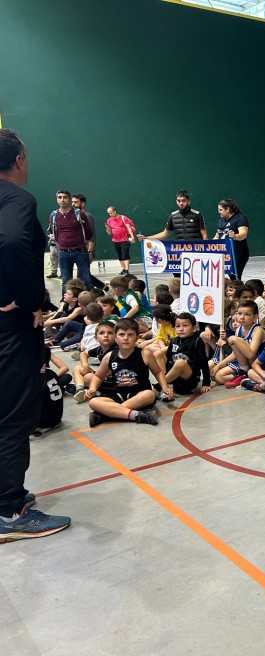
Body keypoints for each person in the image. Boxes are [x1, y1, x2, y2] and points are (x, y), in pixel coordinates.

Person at [0, 127, 71, 541]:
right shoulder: (17, 199)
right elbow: (11, 243)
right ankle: (10, 512)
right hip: (11, 328)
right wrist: (29, 301)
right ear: (19, 160)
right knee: (13, 416)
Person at [85, 318, 172, 427]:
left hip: (139, 394)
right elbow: (98, 376)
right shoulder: (109, 356)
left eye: (130, 335)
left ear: (137, 337)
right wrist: (92, 388)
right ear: (115, 338)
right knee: (93, 402)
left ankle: (106, 415)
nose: (126, 338)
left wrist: (165, 387)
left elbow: (158, 372)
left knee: (149, 395)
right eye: (122, 335)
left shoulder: (145, 354)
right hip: (117, 395)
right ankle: (136, 415)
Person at [49, 189, 93, 291]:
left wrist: (89, 250)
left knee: (86, 280)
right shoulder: (53, 215)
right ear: (57, 200)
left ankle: (89, 301)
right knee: (66, 282)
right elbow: (54, 232)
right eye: (59, 197)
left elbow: (88, 233)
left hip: (80, 251)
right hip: (63, 253)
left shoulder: (80, 214)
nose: (62, 200)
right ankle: (66, 301)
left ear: (69, 199)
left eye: (65, 197)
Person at [141, 190, 208, 242]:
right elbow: (165, 234)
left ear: (188, 202)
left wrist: (205, 250)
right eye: (179, 201)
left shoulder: (197, 215)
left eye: (183, 201)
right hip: (180, 250)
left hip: (196, 250)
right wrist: (146, 238)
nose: (181, 203)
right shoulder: (173, 216)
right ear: (176, 202)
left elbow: (204, 235)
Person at [71, 193, 106, 291]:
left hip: (86, 250)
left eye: (76, 202)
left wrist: (90, 252)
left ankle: (92, 294)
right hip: (77, 250)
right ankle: (105, 288)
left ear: (82, 204)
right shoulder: (73, 216)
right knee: (84, 275)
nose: (73, 204)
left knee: (83, 276)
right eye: (72, 202)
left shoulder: (87, 216)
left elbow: (92, 237)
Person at [213, 198, 249, 280]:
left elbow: (243, 233)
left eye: (221, 210)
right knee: (227, 274)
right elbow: (217, 236)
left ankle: (238, 287)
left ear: (228, 209)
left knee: (235, 275)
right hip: (225, 252)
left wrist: (235, 236)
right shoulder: (220, 221)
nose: (219, 212)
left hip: (238, 252)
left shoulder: (240, 218)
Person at [105, 206, 137, 275]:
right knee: (120, 256)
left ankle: (127, 270)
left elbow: (129, 228)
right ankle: (123, 269)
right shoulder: (109, 220)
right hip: (115, 240)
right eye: (109, 213)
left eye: (111, 213)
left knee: (125, 255)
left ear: (115, 211)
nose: (110, 215)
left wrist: (132, 237)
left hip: (125, 239)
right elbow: (109, 233)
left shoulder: (123, 218)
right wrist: (107, 228)